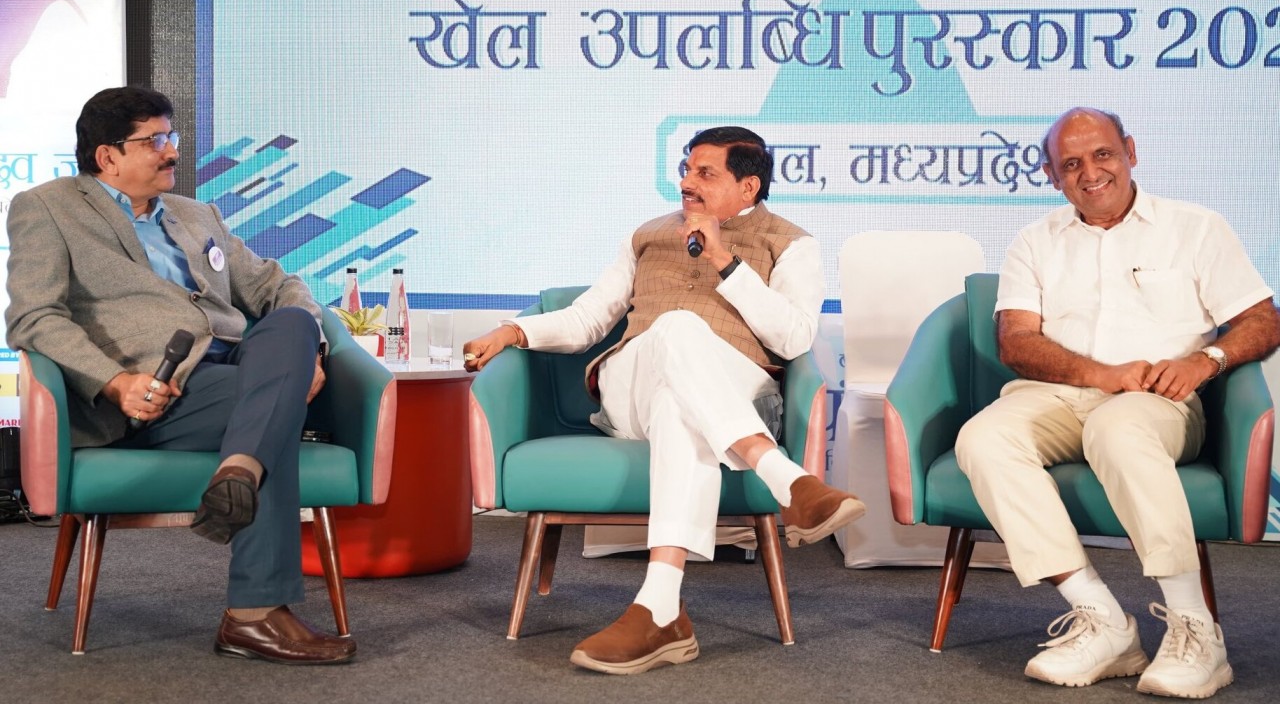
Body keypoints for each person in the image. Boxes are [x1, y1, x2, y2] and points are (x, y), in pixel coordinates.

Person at [463, 125, 865, 675]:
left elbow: (793, 339)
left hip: (736, 388)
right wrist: (514, 330)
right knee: (676, 328)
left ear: (748, 187)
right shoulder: (647, 235)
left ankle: (660, 607)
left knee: (682, 408)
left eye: (706, 173)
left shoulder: (791, 243)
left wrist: (725, 261)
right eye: (686, 169)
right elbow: (588, 319)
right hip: (633, 386)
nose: (686, 182)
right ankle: (785, 478)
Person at [5, 86, 355, 665]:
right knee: (273, 409)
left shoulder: (196, 214)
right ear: (107, 156)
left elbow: (275, 285)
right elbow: (34, 317)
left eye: (171, 137)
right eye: (154, 141)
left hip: (237, 370)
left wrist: (312, 351)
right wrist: (114, 381)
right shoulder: (47, 208)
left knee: (293, 322)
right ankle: (253, 614)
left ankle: (239, 471)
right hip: (156, 394)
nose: (171, 151)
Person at [954, 107, 1280, 698]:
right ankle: (1103, 622)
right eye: (1070, 163)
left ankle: (1197, 631)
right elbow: (1017, 342)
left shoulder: (1195, 227)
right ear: (1052, 176)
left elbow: (1262, 321)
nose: (1090, 172)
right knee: (983, 437)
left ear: (1130, 151)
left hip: (1159, 401)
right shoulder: (1035, 241)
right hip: (1057, 395)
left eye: (1102, 154)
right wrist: (1101, 375)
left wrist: (1205, 360)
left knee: (1118, 429)